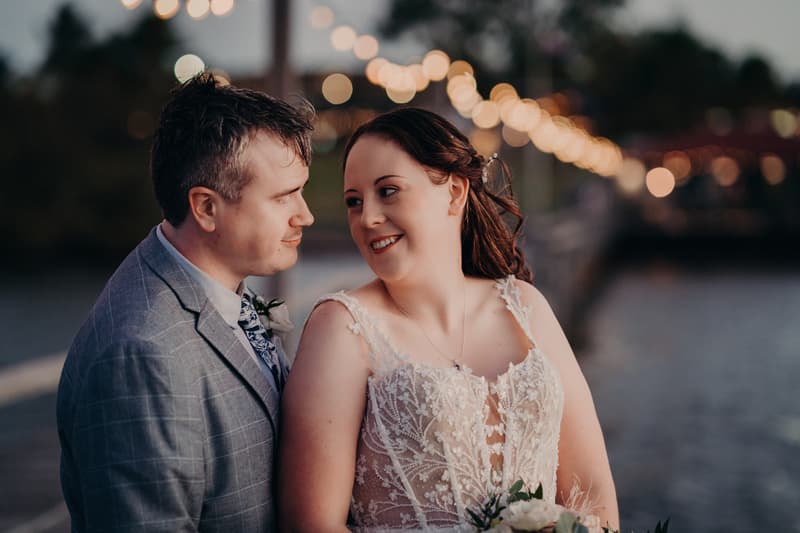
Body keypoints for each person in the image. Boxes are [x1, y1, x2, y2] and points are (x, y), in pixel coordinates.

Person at [278, 107, 618, 532]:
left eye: (388, 191)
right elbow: (311, 526)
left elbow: (595, 498)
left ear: (455, 192)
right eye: (353, 202)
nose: (367, 219)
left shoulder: (525, 306)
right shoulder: (342, 328)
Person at [57, 73, 314, 532]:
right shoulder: (141, 355)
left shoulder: (222, 290)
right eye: (283, 197)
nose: (305, 214)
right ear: (206, 208)